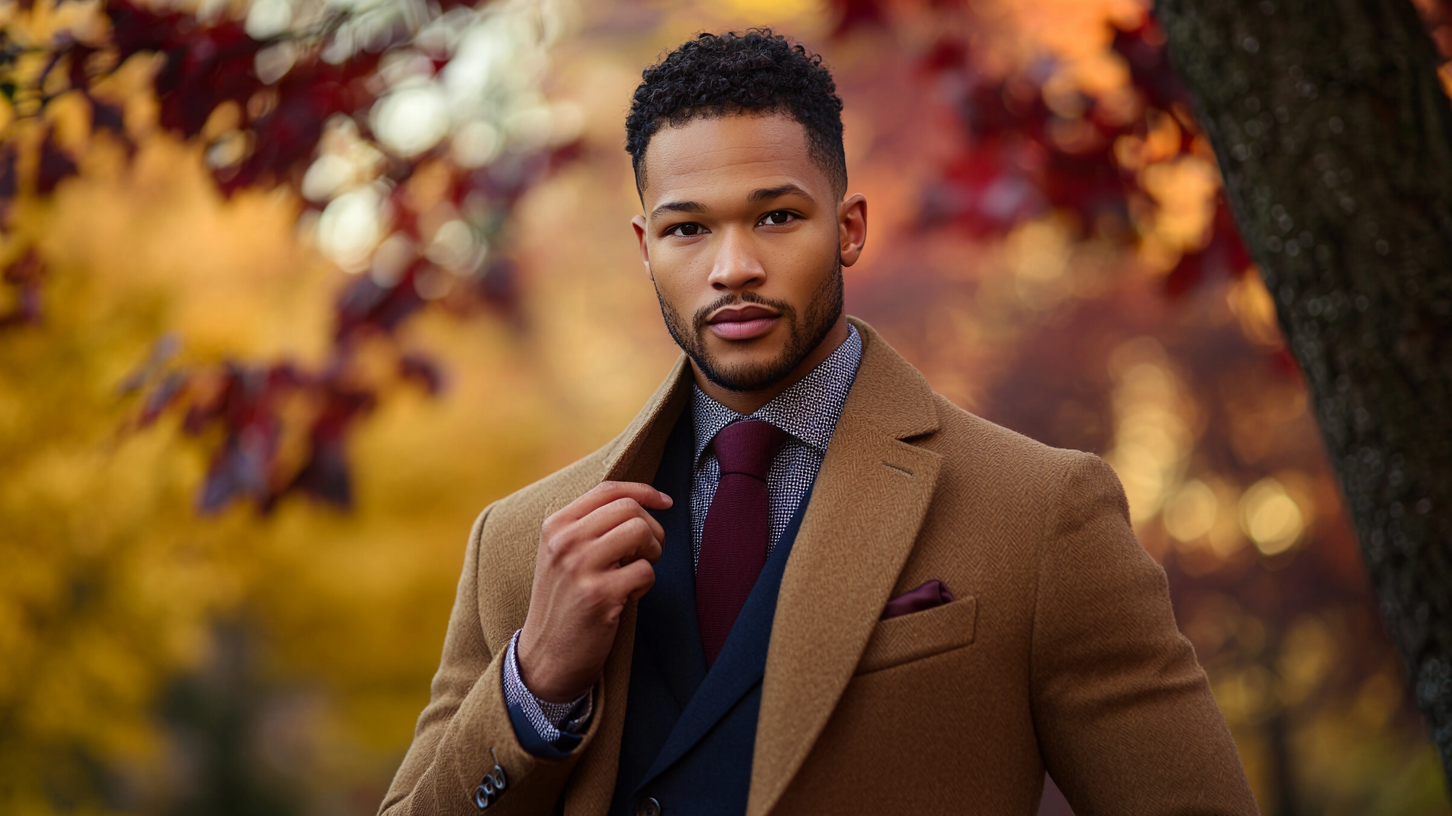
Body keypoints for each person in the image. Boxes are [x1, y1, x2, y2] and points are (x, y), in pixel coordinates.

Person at [380, 29, 1258, 816]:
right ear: (647, 249)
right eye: (690, 230)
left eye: (775, 217)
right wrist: (533, 689)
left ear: (848, 228)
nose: (734, 267)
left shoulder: (1039, 511)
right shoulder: (520, 543)